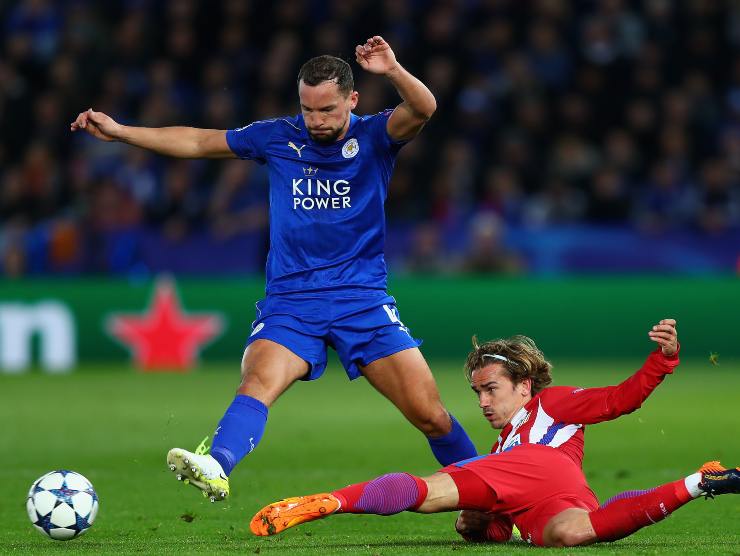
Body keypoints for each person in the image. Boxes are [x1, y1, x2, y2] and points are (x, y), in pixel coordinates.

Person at [70, 36, 477, 502]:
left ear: (353, 99)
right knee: (257, 380)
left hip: (361, 299)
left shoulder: (375, 136)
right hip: (292, 301)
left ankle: (497, 490)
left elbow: (424, 108)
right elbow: (200, 142)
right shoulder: (277, 137)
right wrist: (123, 132)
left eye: (327, 110)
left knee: (430, 415)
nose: (316, 121)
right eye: (308, 109)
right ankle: (216, 465)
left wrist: (394, 69)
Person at [249, 318, 740, 546]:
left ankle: (331, 501)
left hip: (543, 472)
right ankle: (700, 482)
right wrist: (482, 528)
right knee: (576, 534)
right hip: (559, 499)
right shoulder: (500, 446)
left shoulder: (553, 402)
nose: (483, 402)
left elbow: (620, 400)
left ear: (524, 385)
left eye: (491, 389)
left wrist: (663, 360)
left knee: (429, 491)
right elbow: (503, 527)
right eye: (477, 393)